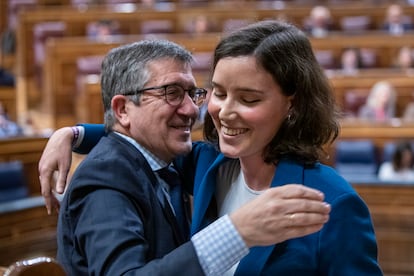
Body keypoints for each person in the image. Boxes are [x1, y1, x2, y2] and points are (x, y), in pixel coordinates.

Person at [39, 21, 382, 274]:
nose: (224, 111)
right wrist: (73, 133)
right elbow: (138, 140)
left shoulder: (334, 201)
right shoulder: (208, 164)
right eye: (218, 93)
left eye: (248, 98)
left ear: (292, 104)